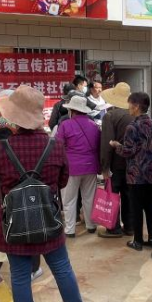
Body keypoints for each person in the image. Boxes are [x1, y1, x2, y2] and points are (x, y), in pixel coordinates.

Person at [0, 85, 96, 302]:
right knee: (62, 269)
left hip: (13, 224)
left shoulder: (2, 147)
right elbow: (62, 181)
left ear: (14, 116)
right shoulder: (55, 145)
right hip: (49, 220)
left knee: (20, 278)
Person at [0, 89, 44, 288]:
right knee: (31, 229)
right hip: (33, 189)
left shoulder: (6, 129)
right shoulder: (35, 130)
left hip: (9, 192)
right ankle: (33, 268)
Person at [109, 92, 152, 251]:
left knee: (136, 207)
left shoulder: (132, 127)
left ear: (136, 106)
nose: (128, 107)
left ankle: (138, 241)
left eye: (130, 104)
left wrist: (116, 145)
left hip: (136, 174)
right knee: (150, 206)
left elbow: (128, 151)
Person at [57, 95, 101, 237]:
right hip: (91, 167)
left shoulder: (65, 125)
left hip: (71, 168)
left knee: (69, 200)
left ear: (72, 110)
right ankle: (91, 225)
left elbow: (58, 146)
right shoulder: (94, 125)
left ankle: (70, 230)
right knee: (89, 198)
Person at [98, 82, 134, 238]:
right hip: (132, 164)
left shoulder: (110, 116)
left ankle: (113, 228)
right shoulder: (134, 115)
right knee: (129, 195)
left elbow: (107, 144)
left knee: (112, 195)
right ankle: (130, 227)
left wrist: (105, 167)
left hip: (115, 163)